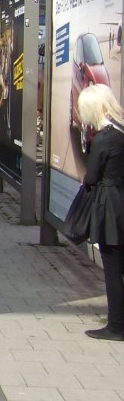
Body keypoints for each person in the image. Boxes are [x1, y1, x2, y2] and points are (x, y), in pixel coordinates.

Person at [76, 84, 124, 341]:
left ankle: (116, 325)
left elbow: (92, 176)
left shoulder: (104, 138)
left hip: (111, 206)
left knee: (113, 269)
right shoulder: (121, 131)